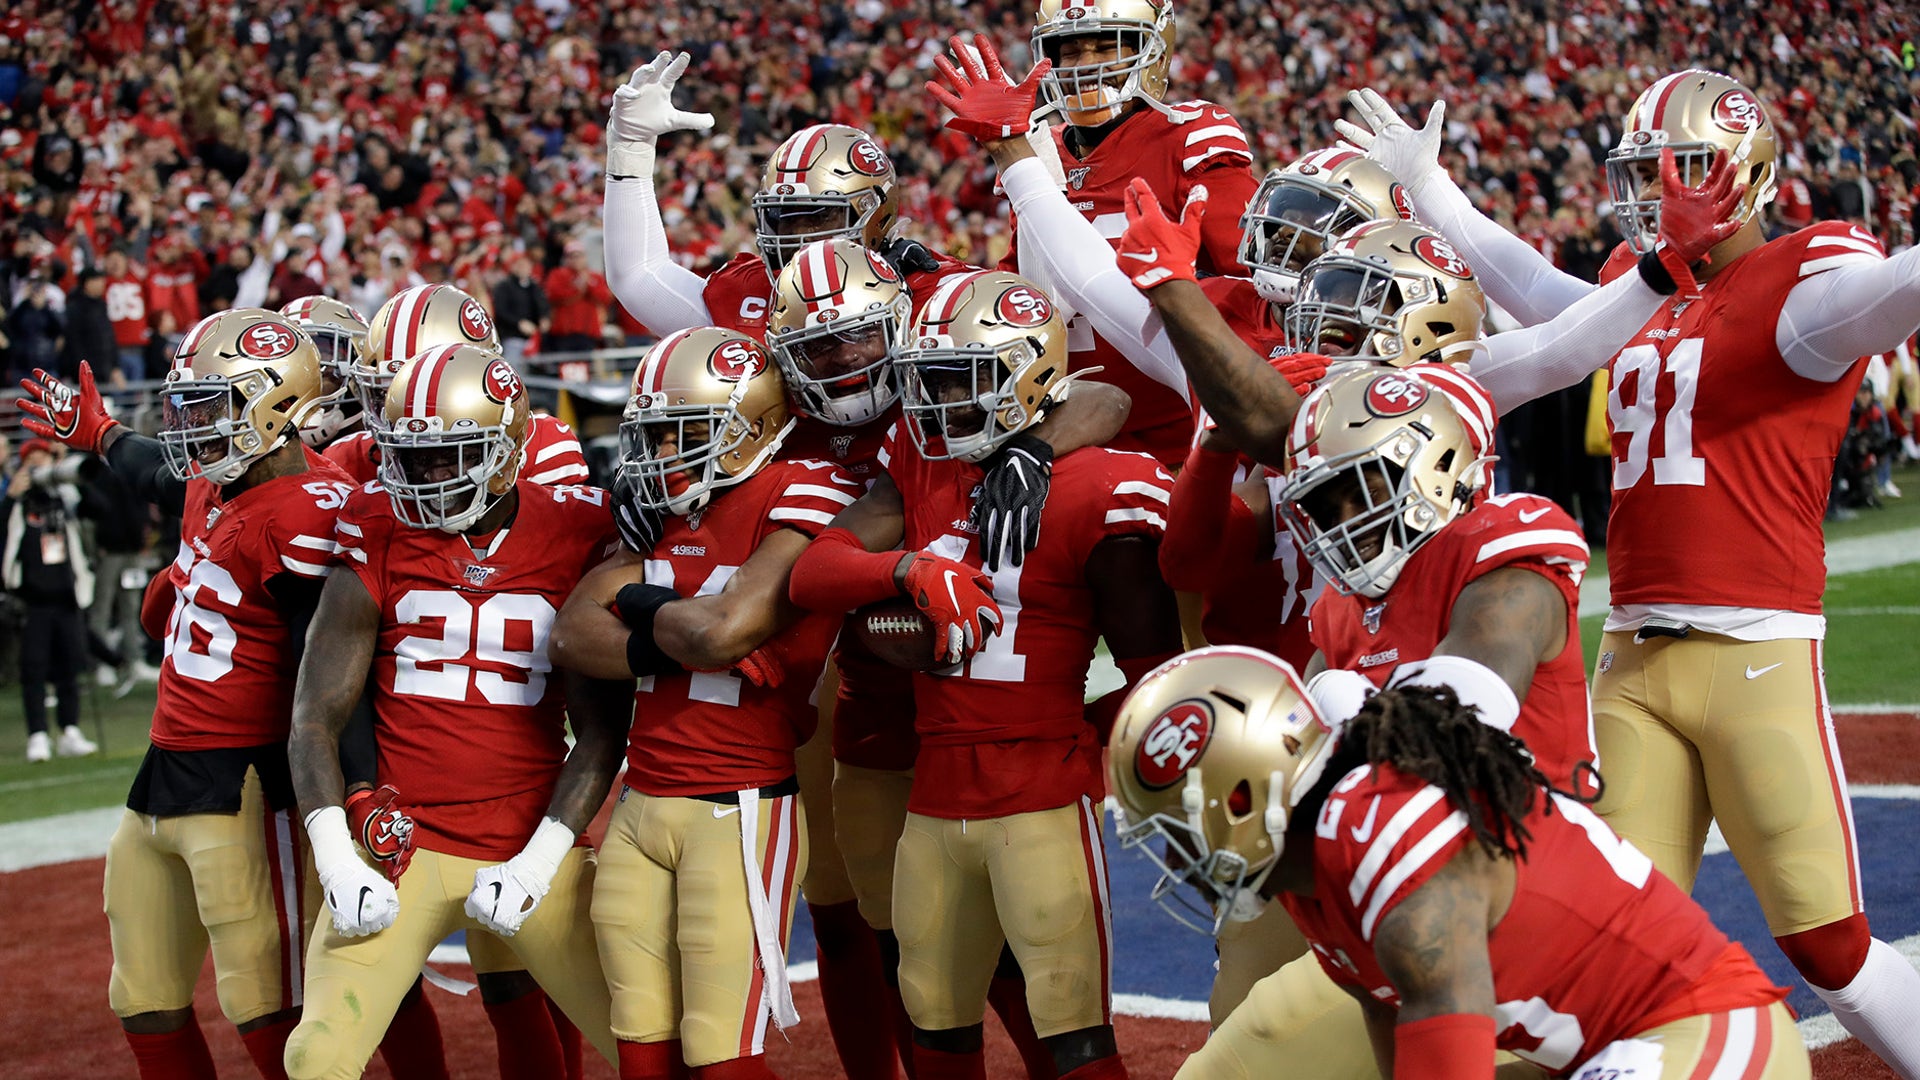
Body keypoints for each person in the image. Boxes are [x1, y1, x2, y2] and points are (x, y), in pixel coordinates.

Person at [1338, 73, 1920, 1071]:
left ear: (1746, 173)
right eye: (1644, 168)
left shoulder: (1804, 285)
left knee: (1828, 944)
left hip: (1757, 658)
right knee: (1598, 945)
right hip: (1632, 663)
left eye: (1683, 166)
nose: (1656, 187)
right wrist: (1431, 193)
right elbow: (1537, 294)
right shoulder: (1643, 285)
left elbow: (1895, 289)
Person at [788, 269, 1185, 1080]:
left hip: (1040, 803)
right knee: (934, 1023)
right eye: (924, 379)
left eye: (955, 378)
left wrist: (1072, 748)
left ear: (1029, 373)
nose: (933, 401)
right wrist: (906, 573)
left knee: (1073, 1034)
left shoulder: (1103, 486)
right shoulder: (928, 470)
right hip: (932, 801)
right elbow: (813, 571)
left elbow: (1163, 681)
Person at [1108, 647, 1810, 1080]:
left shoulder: (1387, 840)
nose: (1174, 857)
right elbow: (1393, 1025)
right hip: (1585, 1057)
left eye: (1177, 827)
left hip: (1698, 1028)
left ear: (1244, 794)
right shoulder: (1307, 871)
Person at [19, 312, 349, 1080]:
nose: (194, 429)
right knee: (142, 993)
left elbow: (331, 683)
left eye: (213, 409)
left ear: (275, 408)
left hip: (247, 781)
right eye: (190, 408)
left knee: (267, 1002)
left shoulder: (308, 511)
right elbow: (153, 473)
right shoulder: (220, 476)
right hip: (163, 771)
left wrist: (351, 800)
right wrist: (98, 431)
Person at [282, 344, 622, 1080]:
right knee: (315, 1058)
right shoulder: (375, 520)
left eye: (450, 455)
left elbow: (602, 730)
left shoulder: (577, 528)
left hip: (528, 837)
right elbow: (314, 714)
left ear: (506, 449)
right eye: (410, 456)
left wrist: (538, 863)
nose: (425, 477)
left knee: (649, 1048)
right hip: (402, 842)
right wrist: (337, 855)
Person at [550, 326, 858, 1079]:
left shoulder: (804, 488)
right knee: (642, 1050)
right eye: (652, 436)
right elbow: (569, 634)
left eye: (681, 433)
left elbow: (723, 631)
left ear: (749, 424)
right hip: (640, 802)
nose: (659, 457)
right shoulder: (667, 509)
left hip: (740, 806)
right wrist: (665, 617)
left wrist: (637, 599)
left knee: (722, 1053)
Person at [330, 283, 589, 487]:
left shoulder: (541, 446)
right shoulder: (346, 458)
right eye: (383, 394)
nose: (394, 414)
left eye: (410, 394)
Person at [2, 438, 100, 762]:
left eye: (46, 461)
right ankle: (38, 735)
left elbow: (96, 504)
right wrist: (11, 496)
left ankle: (70, 729)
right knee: (34, 669)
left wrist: (65, 469)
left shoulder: (63, 498)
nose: (41, 468)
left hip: (67, 596)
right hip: (33, 600)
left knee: (70, 666)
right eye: (35, 462)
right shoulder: (19, 503)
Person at [544, 240, 612, 354]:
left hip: (588, 332)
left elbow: (605, 298)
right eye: (572, 256)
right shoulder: (557, 275)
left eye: (579, 256)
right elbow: (554, 296)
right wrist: (577, 288)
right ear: (566, 258)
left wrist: (588, 285)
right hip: (564, 333)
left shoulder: (595, 276)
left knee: (587, 367)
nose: (576, 260)